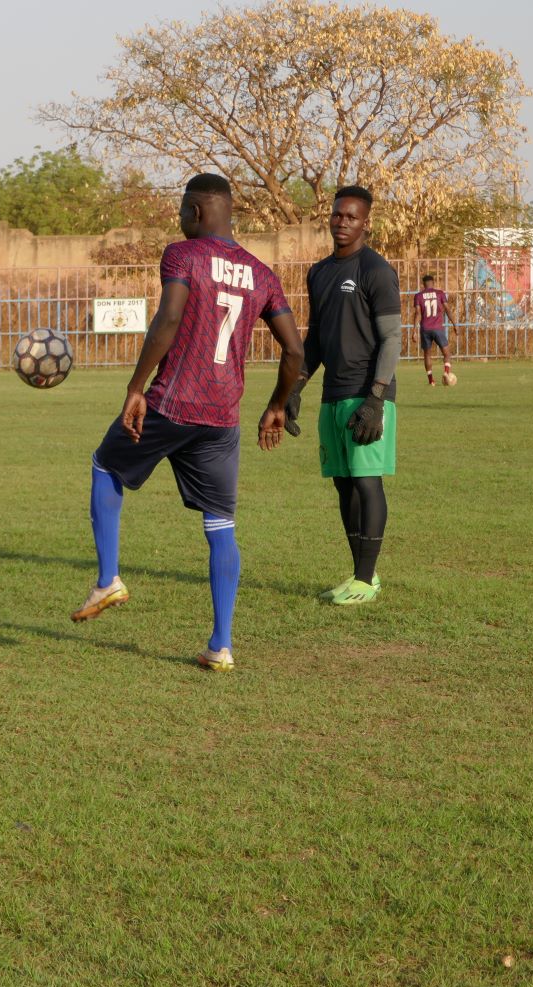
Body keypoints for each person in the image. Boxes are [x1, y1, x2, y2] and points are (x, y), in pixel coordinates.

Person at [72, 174, 303, 672]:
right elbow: (295, 349)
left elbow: (170, 319)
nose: (180, 219)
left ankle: (109, 577)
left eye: (181, 210)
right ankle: (221, 644)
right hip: (223, 416)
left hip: (173, 402)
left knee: (105, 466)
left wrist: (137, 386)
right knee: (221, 525)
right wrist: (278, 404)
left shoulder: (184, 254)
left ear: (196, 211)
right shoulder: (262, 274)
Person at [283, 185, 401, 606]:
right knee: (343, 485)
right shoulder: (319, 272)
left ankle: (366, 581)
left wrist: (375, 400)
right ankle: (359, 575)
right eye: (337, 215)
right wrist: (295, 388)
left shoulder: (377, 270)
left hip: (367, 395)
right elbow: (316, 338)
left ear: (366, 223)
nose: (342, 222)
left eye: (351, 217)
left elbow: (391, 339)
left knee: (368, 483)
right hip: (333, 396)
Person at [416, 274, 455, 385]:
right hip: (438, 328)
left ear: (423, 284)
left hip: (425, 329)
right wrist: (455, 324)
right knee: (447, 354)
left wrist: (414, 330)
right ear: (433, 283)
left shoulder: (419, 296)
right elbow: (447, 309)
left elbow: (418, 313)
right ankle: (446, 373)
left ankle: (431, 381)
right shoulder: (440, 293)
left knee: (427, 355)